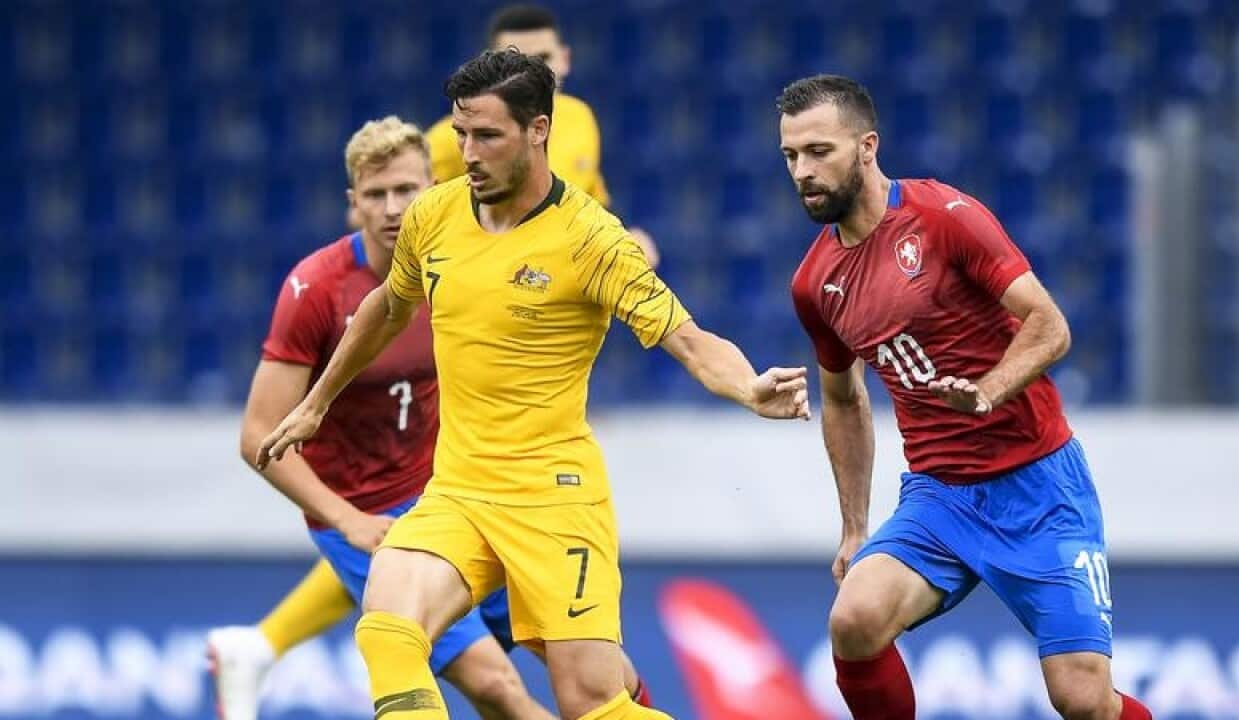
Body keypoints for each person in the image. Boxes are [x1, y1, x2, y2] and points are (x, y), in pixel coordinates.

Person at [257, 49, 809, 720]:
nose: (468, 152)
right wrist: (318, 404)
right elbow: (387, 307)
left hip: (553, 500)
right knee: (388, 623)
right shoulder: (435, 215)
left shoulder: (592, 240)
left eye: (486, 135)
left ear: (538, 130)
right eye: (460, 134)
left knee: (593, 704)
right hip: (459, 491)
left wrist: (750, 388)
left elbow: (689, 341)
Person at [780, 75, 1153, 720]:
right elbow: (843, 400)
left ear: (868, 146)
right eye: (790, 156)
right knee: (855, 619)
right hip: (939, 497)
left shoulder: (944, 217)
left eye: (819, 152)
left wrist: (986, 393)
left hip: (1038, 488)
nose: (802, 172)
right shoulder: (815, 283)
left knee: (1083, 700)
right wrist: (853, 527)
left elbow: (1050, 324)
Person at [208, 116, 556, 720]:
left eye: (406, 190)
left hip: (457, 497)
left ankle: (260, 644)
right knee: (496, 685)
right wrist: (349, 522)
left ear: (436, 187)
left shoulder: (463, 264)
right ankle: (262, 644)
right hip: (366, 511)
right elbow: (258, 436)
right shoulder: (316, 289)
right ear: (353, 206)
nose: (393, 208)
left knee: (585, 657)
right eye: (376, 195)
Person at [424, 3, 660, 268]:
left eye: (544, 58)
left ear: (565, 60)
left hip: (565, 280)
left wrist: (625, 237)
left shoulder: (580, 118)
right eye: (517, 61)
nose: (532, 75)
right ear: (492, 66)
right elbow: (408, 214)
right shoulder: (450, 139)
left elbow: (593, 201)